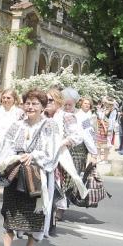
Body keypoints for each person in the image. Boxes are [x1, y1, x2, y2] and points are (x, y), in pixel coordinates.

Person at [0, 89, 59, 246]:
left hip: (36, 175)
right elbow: (6, 148)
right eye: (28, 103)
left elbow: (52, 152)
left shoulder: (50, 126)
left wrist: (34, 155)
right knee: (10, 210)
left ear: (43, 107)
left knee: (33, 212)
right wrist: (12, 160)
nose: (30, 107)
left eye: (35, 104)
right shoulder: (17, 125)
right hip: (16, 173)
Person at [44, 88, 87, 229]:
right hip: (42, 158)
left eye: (50, 100)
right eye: (45, 100)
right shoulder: (42, 115)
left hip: (59, 158)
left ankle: (50, 222)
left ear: (58, 102)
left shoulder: (67, 116)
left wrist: (60, 143)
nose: (47, 102)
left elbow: (79, 136)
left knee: (54, 189)